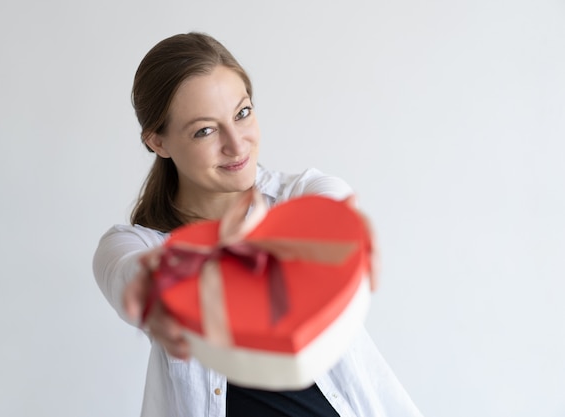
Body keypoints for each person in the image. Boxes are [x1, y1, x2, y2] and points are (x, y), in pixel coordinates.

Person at [93, 32, 424, 417]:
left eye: (242, 113)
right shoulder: (133, 245)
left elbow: (331, 205)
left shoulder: (299, 194)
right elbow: (129, 278)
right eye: (205, 130)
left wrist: (342, 232)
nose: (237, 144)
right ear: (159, 143)